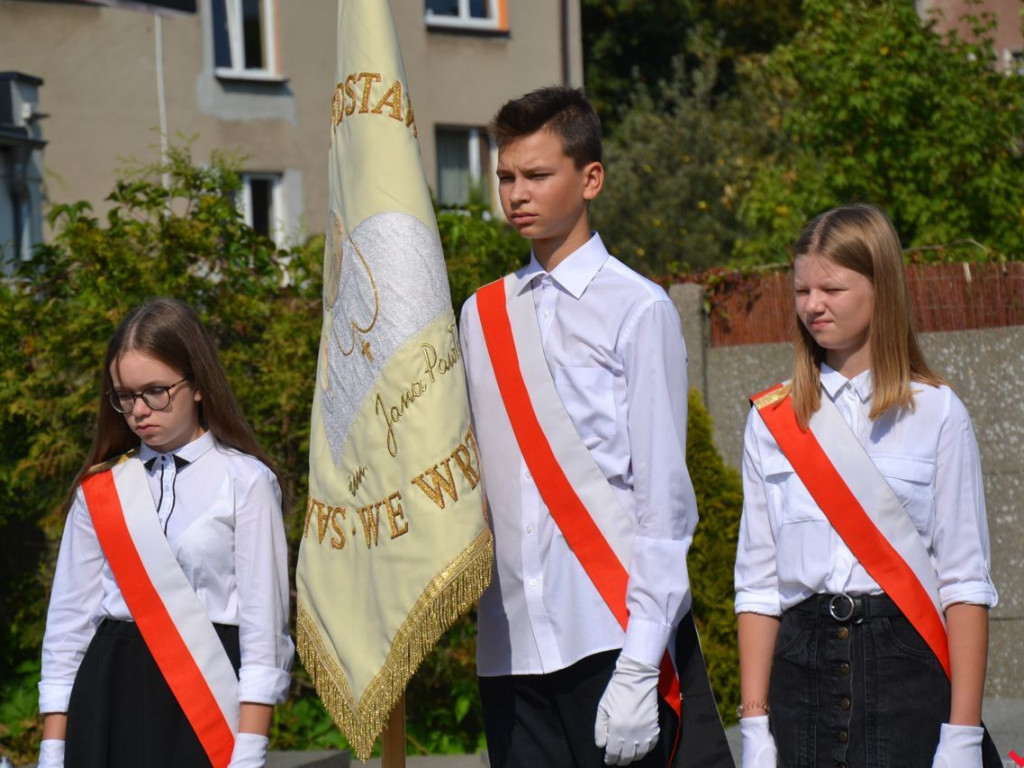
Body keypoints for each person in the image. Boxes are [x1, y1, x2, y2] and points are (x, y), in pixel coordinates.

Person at [458, 85, 718, 768]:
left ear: (590, 178)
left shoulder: (639, 309)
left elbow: (664, 502)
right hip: (510, 638)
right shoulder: (481, 315)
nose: (517, 193)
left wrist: (639, 665)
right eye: (507, 177)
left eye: (538, 175)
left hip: (609, 628)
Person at [734, 203, 1001, 768]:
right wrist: (755, 728)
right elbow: (757, 588)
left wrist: (962, 735)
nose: (812, 305)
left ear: (883, 288)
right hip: (799, 671)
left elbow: (964, 584)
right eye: (802, 289)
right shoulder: (772, 420)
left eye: (832, 287)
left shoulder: (938, 413)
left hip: (906, 670)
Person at [37, 298, 294, 768]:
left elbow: (264, 632)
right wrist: (52, 750)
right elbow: (68, 626)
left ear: (196, 384)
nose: (138, 410)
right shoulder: (100, 489)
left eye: (156, 391)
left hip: (205, 696)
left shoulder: (247, 481)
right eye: (125, 395)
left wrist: (250, 752)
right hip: (109, 687)